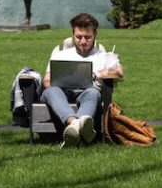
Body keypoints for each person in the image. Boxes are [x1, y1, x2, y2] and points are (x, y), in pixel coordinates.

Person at [42, 13, 123, 148]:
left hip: (86, 94)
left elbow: (119, 72)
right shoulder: (60, 54)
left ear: (95, 34)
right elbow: (46, 81)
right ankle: (76, 124)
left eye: (88, 37)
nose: (83, 41)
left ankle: (74, 129)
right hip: (60, 93)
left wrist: (100, 73)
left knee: (93, 93)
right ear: (73, 35)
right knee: (52, 90)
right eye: (79, 37)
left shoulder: (103, 56)